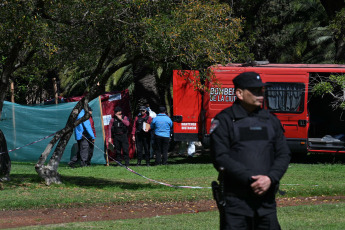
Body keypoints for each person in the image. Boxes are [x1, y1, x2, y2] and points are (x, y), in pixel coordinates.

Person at [210, 72, 291, 230]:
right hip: (236, 202)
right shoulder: (225, 120)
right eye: (254, 91)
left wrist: (270, 178)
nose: (260, 94)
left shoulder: (271, 120)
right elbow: (220, 157)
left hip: (266, 202)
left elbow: (283, 154)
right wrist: (251, 178)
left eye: (261, 90)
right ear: (239, 93)